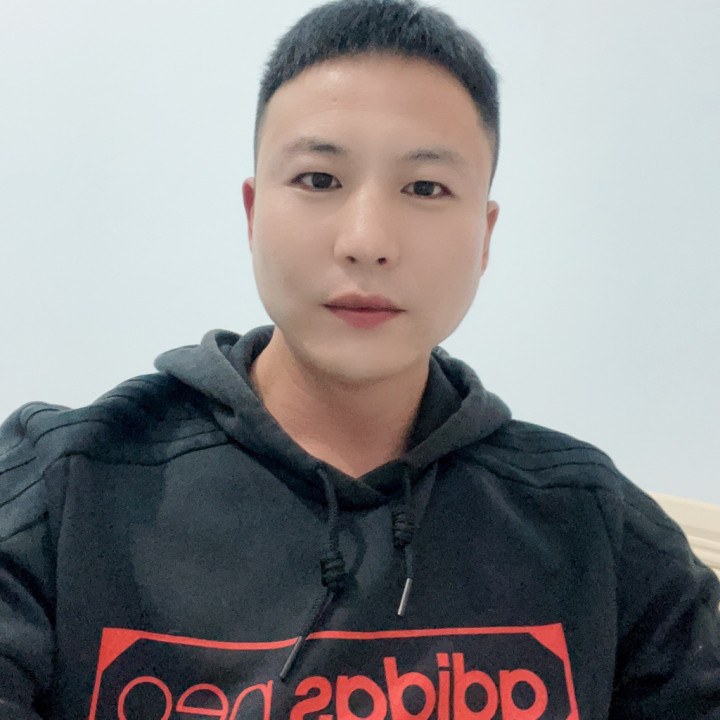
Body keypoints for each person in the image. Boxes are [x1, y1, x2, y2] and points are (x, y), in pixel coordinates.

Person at [1, 0, 719, 717]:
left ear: (486, 235)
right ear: (252, 214)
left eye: (426, 187)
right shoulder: (66, 489)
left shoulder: (592, 527)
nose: (367, 241)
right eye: (319, 180)